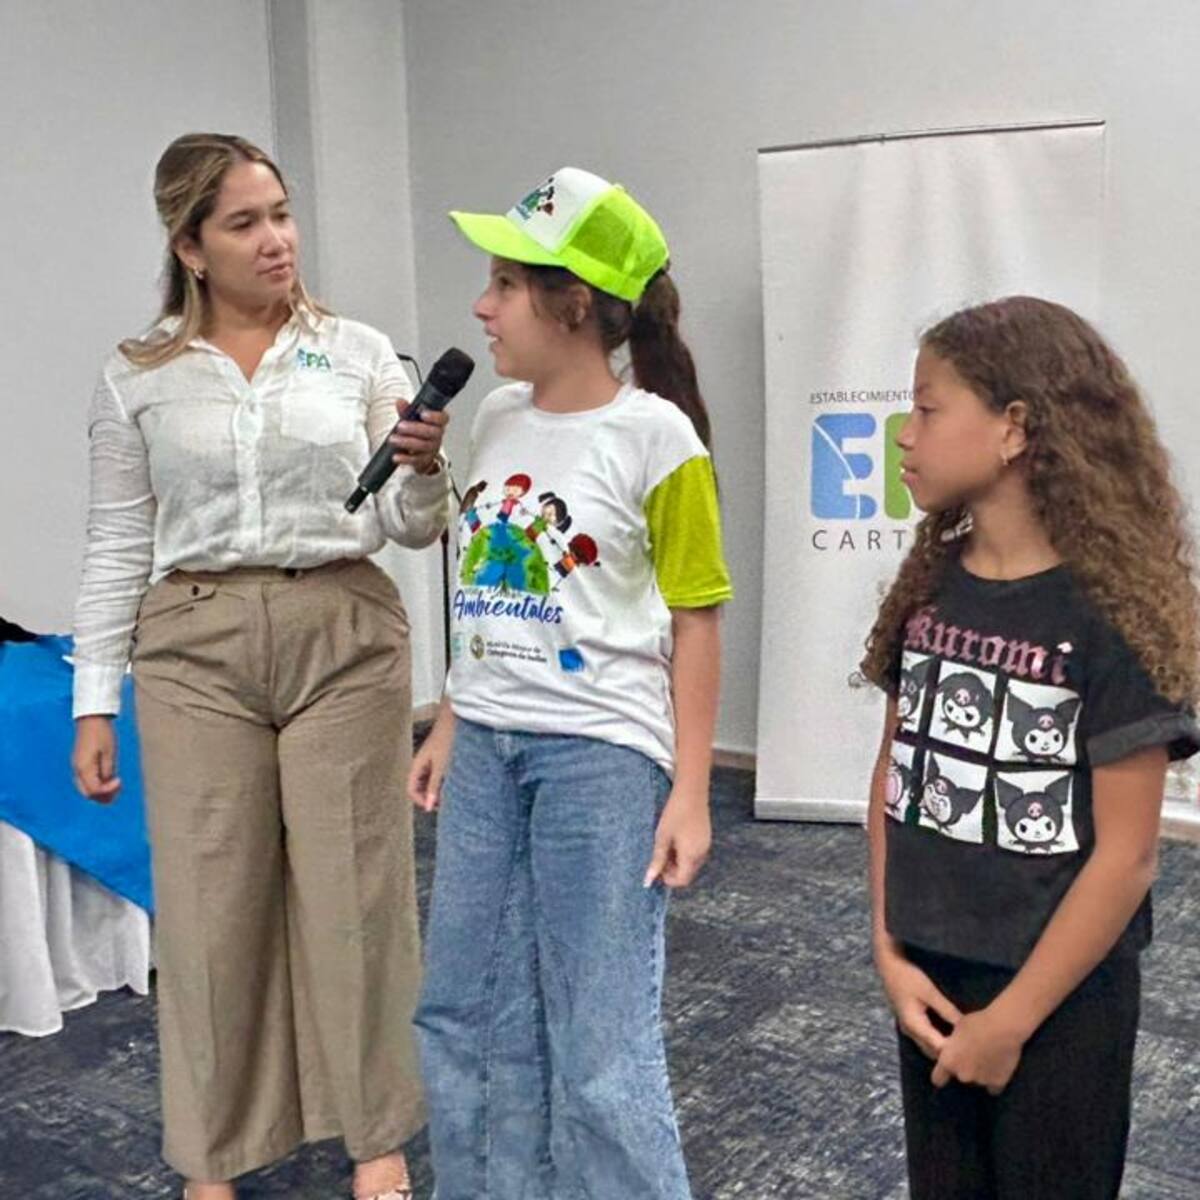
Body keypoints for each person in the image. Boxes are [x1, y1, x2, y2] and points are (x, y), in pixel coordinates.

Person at [70, 132, 449, 1200]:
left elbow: (414, 526)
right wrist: (95, 699)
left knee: (356, 900)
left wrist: (426, 469)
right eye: (244, 222)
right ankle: (215, 1155)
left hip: (342, 630)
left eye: (280, 213)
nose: (276, 239)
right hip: (193, 643)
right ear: (190, 246)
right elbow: (113, 544)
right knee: (207, 908)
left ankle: (374, 1139)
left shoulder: (361, 351)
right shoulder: (137, 375)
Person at [408, 168, 733, 1198]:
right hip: (487, 752)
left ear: (574, 305)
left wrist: (688, 791)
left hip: (601, 762)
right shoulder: (497, 416)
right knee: (465, 1008)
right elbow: (487, 596)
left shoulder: (660, 439)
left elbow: (697, 618)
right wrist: (453, 718)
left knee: (599, 1044)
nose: (482, 306)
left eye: (505, 283)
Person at [861, 296, 1200, 1199]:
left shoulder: (1110, 614)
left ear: (1013, 430)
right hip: (932, 979)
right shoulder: (932, 584)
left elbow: (1127, 860)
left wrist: (1010, 1021)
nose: (905, 434)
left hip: (1059, 1002)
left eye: (928, 409)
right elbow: (894, 779)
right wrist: (890, 953)